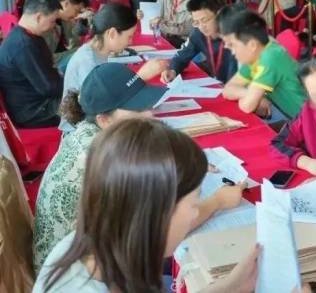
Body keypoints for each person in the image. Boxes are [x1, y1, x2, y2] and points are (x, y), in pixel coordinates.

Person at [33, 117, 259, 293]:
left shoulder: (95, 243)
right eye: (193, 204)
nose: (194, 215)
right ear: (156, 214)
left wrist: (230, 286)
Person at [33, 63, 169, 270]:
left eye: (148, 105)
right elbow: (155, 232)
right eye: (138, 109)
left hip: (76, 260)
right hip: (74, 274)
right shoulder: (105, 159)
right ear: (104, 120)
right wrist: (217, 202)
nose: (150, 114)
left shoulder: (87, 130)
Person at [60, 3, 165, 133]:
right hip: (81, 130)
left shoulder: (97, 52)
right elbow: (105, 103)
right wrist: (140, 77)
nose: (131, 42)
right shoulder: (87, 61)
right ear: (112, 33)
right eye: (129, 36)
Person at [220, 7, 306, 121]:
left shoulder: (270, 57)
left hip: (309, 123)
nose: (232, 52)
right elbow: (227, 90)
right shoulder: (255, 54)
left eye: (233, 45)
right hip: (290, 118)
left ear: (252, 45)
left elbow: (247, 106)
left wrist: (249, 97)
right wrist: (249, 94)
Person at [0, 0, 62, 127]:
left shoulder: (26, 36)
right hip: (33, 111)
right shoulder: (23, 45)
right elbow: (48, 88)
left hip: (38, 101)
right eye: (52, 21)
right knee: (87, 105)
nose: (54, 26)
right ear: (38, 17)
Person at [162, 0, 238, 84]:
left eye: (204, 20)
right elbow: (182, 56)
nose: (202, 26)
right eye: (196, 22)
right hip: (216, 83)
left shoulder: (237, 35)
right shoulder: (198, 34)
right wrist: (173, 70)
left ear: (218, 15)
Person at [41, 0, 89, 70]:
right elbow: (46, 59)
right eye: (76, 10)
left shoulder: (64, 20)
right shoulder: (46, 24)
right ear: (66, 4)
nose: (76, 15)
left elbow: (74, 43)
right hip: (50, 67)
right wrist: (78, 51)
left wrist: (73, 26)